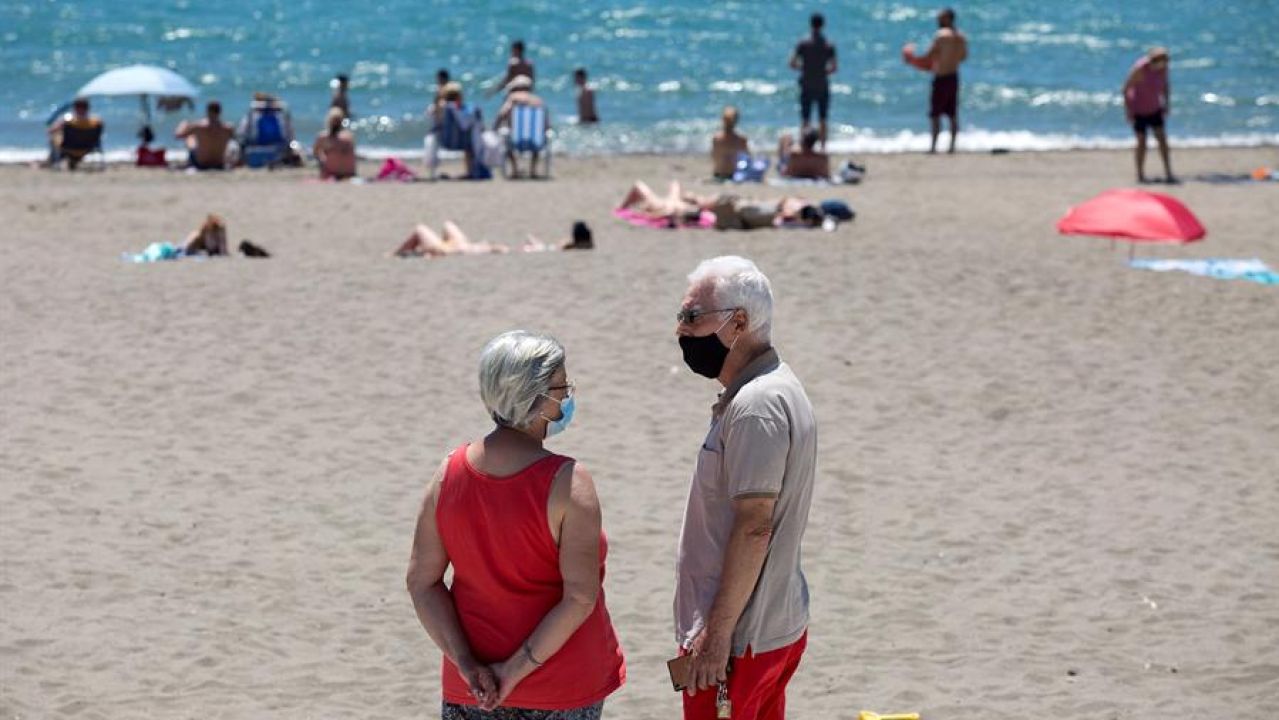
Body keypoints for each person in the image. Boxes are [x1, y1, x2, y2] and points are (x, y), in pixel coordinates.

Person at [407, 331, 626, 718]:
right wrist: (513, 671)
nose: (567, 396)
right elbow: (579, 597)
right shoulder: (569, 483)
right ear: (537, 398)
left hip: (471, 689)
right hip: (561, 686)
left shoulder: (448, 474)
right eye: (562, 387)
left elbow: (422, 582)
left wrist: (467, 664)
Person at [672, 256, 817, 720]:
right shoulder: (771, 388)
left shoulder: (757, 406)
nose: (681, 331)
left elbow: (756, 525)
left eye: (693, 317)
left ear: (738, 322)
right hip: (765, 628)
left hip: (740, 640)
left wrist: (717, 638)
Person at [617, 181, 826, 230]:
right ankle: (624, 207)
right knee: (676, 193)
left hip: (732, 208)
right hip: (731, 208)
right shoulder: (786, 212)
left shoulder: (785, 213)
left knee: (665, 190)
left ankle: (621, 207)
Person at [915, 7, 967, 154]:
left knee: (935, 114)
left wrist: (911, 58)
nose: (938, 20)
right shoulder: (961, 37)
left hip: (941, 77)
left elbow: (928, 56)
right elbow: (963, 57)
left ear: (948, 19)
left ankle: (933, 147)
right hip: (954, 76)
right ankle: (952, 147)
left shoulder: (941, 36)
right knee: (952, 114)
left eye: (941, 18)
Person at [1123, 47, 1175, 183]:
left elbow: (1166, 87)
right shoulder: (1140, 68)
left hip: (1155, 108)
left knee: (1162, 140)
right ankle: (1140, 174)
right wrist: (1128, 111)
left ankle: (1168, 172)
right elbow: (1126, 89)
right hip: (1138, 109)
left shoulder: (1163, 69)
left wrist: (1166, 104)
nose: (1164, 64)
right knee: (1142, 142)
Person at [789, 13, 837, 149]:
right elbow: (833, 68)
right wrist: (822, 70)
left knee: (805, 119)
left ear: (810, 25)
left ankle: (804, 146)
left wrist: (805, 68)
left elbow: (792, 63)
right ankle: (822, 147)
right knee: (823, 118)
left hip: (806, 83)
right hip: (822, 84)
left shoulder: (803, 44)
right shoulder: (828, 45)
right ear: (823, 25)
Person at [494, 75, 549, 177]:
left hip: (516, 141)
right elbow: (546, 123)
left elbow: (502, 114)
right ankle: (533, 170)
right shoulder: (538, 101)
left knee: (506, 139)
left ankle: (515, 170)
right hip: (536, 142)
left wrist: (494, 129)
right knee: (536, 135)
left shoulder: (513, 98)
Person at [391, 222, 510, 258]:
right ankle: (399, 253)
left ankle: (395, 254)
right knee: (447, 225)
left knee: (420, 229)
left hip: (447, 250)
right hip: (464, 246)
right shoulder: (486, 249)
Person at [176, 100, 235, 170]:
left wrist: (183, 124)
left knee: (190, 138)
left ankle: (189, 163)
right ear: (220, 112)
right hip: (219, 164)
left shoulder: (198, 126)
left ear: (207, 111)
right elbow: (236, 139)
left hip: (201, 164)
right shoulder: (228, 128)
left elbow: (178, 135)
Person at [47, 98, 103, 170]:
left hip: (68, 147)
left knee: (54, 138)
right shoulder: (96, 122)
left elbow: (51, 130)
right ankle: (71, 162)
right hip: (88, 148)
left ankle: (54, 162)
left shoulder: (69, 120)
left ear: (75, 107)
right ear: (88, 108)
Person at [313, 107, 357, 180]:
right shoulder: (349, 136)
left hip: (335, 173)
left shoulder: (323, 137)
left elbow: (315, 153)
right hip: (349, 173)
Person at [711, 106, 750, 180]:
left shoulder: (716, 139)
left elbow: (714, 157)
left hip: (718, 174)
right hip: (734, 175)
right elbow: (748, 160)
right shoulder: (741, 140)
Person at [522, 221, 595, 252]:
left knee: (539, 246)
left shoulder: (570, 246)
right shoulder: (589, 246)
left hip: (550, 248)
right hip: (550, 248)